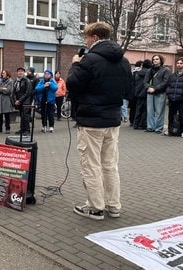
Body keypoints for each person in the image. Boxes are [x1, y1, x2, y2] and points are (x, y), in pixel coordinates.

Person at [66, 22, 132, 220]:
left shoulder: (89, 60)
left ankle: (95, 207)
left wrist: (75, 64)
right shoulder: (124, 61)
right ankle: (114, 205)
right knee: (110, 164)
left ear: (94, 37)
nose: (85, 42)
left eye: (86, 37)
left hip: (91, 121)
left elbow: (72, 84)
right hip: (112, 120)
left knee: (91, 165)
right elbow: (129, 90)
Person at [144, 54, 170, 133]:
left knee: (159, 111)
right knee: (150, 111)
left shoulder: (166, 70)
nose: (155, 60)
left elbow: (165, 82)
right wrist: (148, 87)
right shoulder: (150, 70)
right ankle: (150, 127)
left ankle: (158, 128)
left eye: (157, 59)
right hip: (150, 93)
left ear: (161, 60)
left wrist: (155, 89)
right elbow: (145, 81)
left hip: (160, 93)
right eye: (154, 59)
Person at [0, 69, 14, 134]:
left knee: (7, 115)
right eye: (2, 73)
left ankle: (7, 128)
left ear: (7, 74)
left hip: (6, 100)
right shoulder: (1, 80)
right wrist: (3, 88)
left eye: (4, 73)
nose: (2, 74)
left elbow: (9, 91)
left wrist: (0, 88)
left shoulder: (10, 81)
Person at [13, 67, 32, 135]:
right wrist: (15, 100)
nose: (20, 72)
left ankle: (27, 130)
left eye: (21, 71)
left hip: (25, 101)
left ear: (24, 73)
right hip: (19, 102)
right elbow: (14, 92)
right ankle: (22, 129)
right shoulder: (16, 81)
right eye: (19, 71)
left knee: (25, 116)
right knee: (22, 116)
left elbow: (28, 92)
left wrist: (20, 100)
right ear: (17, 73)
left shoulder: (27, 80)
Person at [132, 60, 151, 130]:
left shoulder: (137, 73)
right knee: (145, 110)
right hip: (145, 93)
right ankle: (142, 124)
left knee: (138, 109)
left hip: (138, 93)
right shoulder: (149, 73)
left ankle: (135, 124)